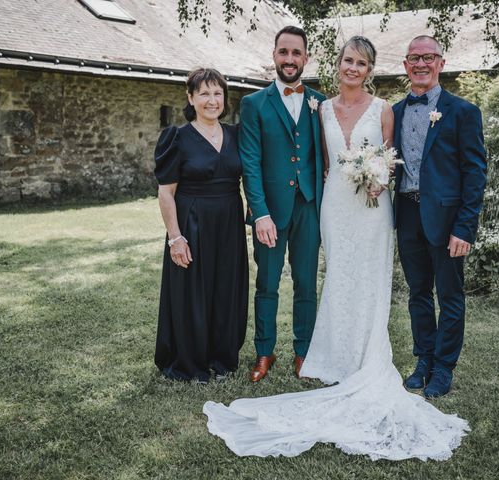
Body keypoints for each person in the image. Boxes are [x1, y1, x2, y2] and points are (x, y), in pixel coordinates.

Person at [203, 36, 469, 461]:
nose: (353, 68)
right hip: (332, 206)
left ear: (370, 69)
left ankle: (366, 356)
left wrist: (378, 178)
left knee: (364, 279)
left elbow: (391, 159)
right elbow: (316, 161)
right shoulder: (320, 108)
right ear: (337, 64)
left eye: (361, 63)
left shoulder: (384, 110)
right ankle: (305, 353)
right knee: (335, 276)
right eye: (348, 60)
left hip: (371, 208)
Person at [394, 36, 487, 398]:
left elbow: (475, 172)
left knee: (449, 294)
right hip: (406, 212)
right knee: (418, 292)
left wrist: (465, 226)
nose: (421, 64)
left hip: (447, 219)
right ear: (405, 65)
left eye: (427, 57)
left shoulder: (463, 112)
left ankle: (444, 366)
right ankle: (424, 358)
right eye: (414, 58)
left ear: (441, 63)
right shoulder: (396, 110)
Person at [239, 26, 326, 382]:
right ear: (274, 55)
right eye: (283, 52)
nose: (289, 59)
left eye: (296, 53)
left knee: (306, 283)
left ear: (306, 58)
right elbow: (250, 163)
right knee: (268, 284)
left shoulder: (321, 102)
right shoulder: (253, 104)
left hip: (309, 206)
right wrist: (259, 213)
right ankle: (264, 351)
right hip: (270, 211)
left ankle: (304, 352)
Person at [153, 68, 248, 384]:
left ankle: (221, 359)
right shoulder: (176, 138)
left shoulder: (236, 134)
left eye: (217, 93)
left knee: (225, 288)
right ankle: (190, 362)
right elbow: (166, 193)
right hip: (191, 224)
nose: (212, 100)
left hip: (229, 224)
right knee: (192, 292)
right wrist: (175, 237)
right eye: (204, 93)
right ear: (190, 97)